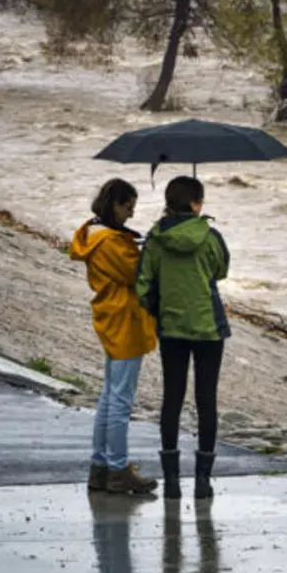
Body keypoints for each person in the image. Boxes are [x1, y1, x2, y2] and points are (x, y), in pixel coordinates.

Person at [137, 175, 231, 500]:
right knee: (206, 400)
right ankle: (203, 480)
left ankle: (172, 479)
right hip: (208, 328)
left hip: (172, 328)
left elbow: (144, 283)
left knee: (172, 398)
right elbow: (221, 271)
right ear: (194, 204)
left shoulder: (155, 238)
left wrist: (159, 310)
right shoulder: (210, 236)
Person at [71, 178, 159, 495]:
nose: (131, 215)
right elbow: (139, 274)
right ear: (115, 204)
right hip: (125, 320)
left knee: (109, 397)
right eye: (128, 207)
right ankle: (118, 469)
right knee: (120, 401)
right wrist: (151, 249)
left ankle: (101, 466)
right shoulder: (112, 243)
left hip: (111, 316)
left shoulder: (94, 235)